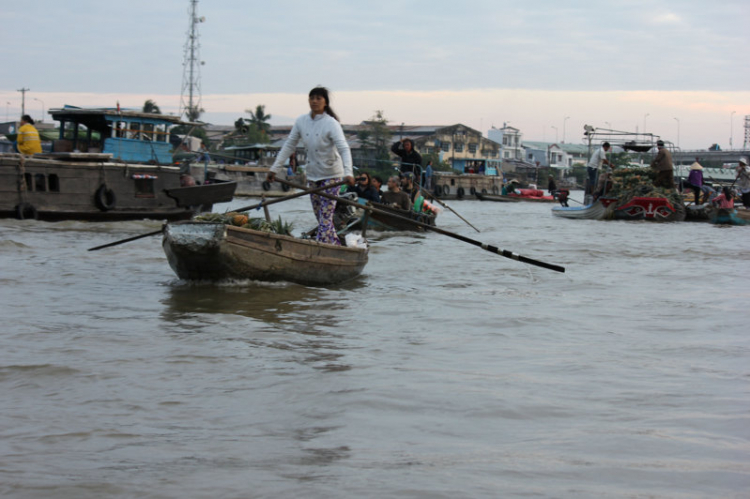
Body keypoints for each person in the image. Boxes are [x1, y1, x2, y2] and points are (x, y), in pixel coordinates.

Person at [267, 86, 354, 246]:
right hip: (313, 174)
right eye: (312, 98)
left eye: (318, 98)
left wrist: (349, 173)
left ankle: (320, 250)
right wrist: (274, 169)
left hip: (332, 176)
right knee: (320, 218)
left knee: (325, 218)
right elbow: (289, 145)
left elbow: (343, 148)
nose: (314, 101)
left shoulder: (331, 123)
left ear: (325, 102)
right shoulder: (301, 121)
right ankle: (336, 246)